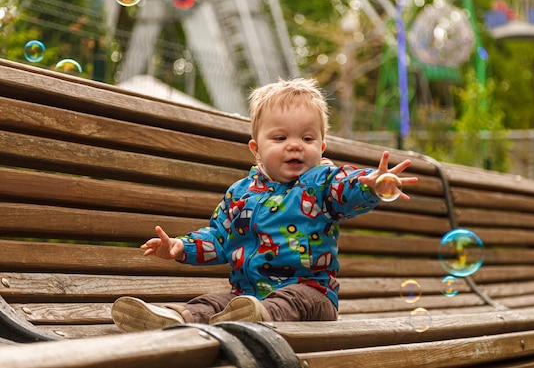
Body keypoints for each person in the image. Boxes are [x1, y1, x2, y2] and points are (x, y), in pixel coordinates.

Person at [111, 78, 418, 332]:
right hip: (246, 296)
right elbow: (219, 237)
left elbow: (347, 186)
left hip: (313, 297)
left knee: (290, 300)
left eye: (307, 138)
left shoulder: (322, 184)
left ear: (321, 147)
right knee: (215, 302)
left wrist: (373, 184)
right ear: (256, 150)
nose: (295, 145)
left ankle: (255, 317)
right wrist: (180, 247)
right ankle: (173, 318)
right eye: (281, 137)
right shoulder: (240, 193)